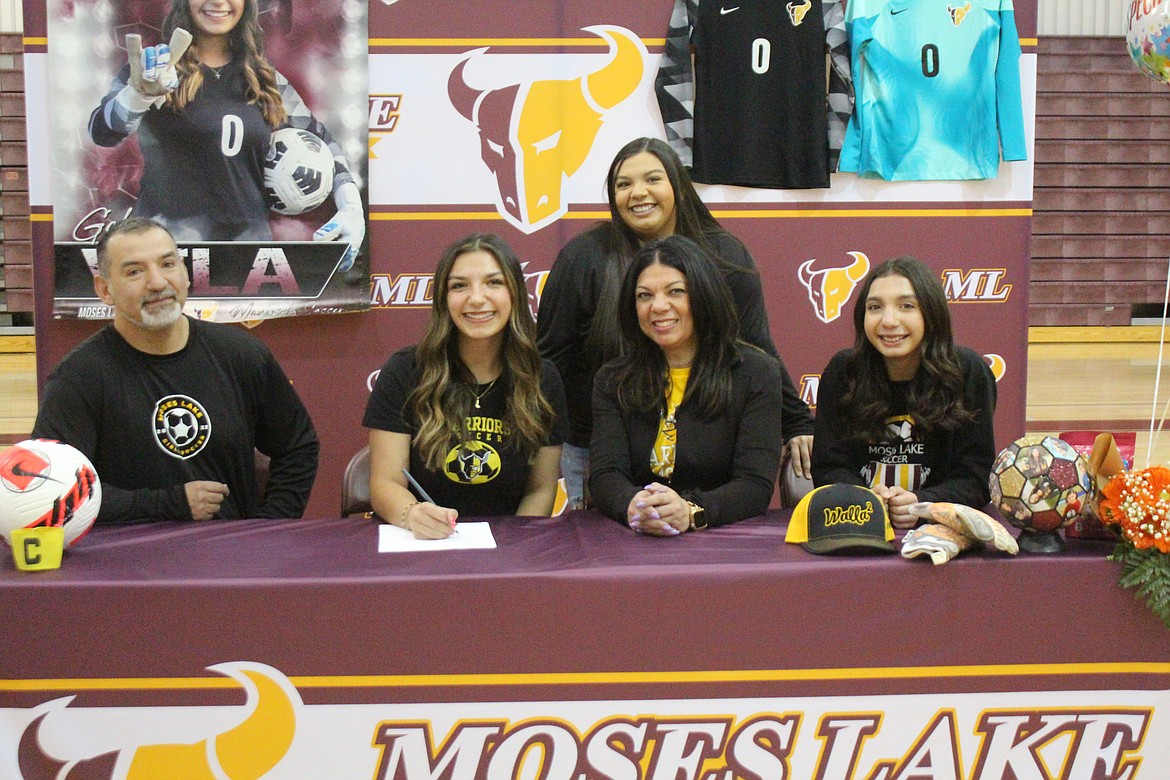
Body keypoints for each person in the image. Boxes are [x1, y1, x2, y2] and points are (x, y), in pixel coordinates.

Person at [538, 137, 813, 511]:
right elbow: (550, 359)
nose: (638, 193)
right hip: (599, 448)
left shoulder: (726, 255)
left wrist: (797, 423)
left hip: (706, 446)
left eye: (652, 179)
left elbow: (757, 346)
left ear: (677, 186)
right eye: (623, 184)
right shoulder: (584, 256)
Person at [32, 217, 320, 523]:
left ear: (185, 273)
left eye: (168, 264)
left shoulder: (241, 354)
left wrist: (269, 528)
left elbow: (298, 447)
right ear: (105, 290)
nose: (157, 283)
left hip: (229, 561)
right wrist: (168, 503)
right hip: (122, 562)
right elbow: (49, 490)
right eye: (134, 271)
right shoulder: (78, 377)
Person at [87, 0, 364, 267]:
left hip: (250, 255)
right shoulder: (157, 68)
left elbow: (323, 144)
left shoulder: (265, 79)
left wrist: (351, 206)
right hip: (167, 253)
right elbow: (102, 131)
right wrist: (136, 97)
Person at [363, 234, 569, 538]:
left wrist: (515, 546)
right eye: (459, 285)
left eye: (493, 283)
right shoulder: (405, 371)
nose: (476, 298)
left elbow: (539, 490)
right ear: (444, 299)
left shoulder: (542, 377)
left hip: (509, 552)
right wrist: (412, 514)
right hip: (422, 543)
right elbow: (385, 483)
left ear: (514, 292)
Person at [589, 236, 785, 534]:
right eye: (644, 296)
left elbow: (753, 484)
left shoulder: (755, 373)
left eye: (675, 292)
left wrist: (691, 511)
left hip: (720, 538)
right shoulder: (613, 379)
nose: (658, 306)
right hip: (634, 538)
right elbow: (606, 475)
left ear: (703, 295)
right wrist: (633, 505)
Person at [811, 256, 997, 528]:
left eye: (906, 306)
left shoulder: (968, 372)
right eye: (874, 307)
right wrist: (862, 499)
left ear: (931, 314)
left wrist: (925, 503)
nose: (888, 321)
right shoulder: (843, 371)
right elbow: (828, 469)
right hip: (860, 529)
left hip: (940, 534)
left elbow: (976, 479)